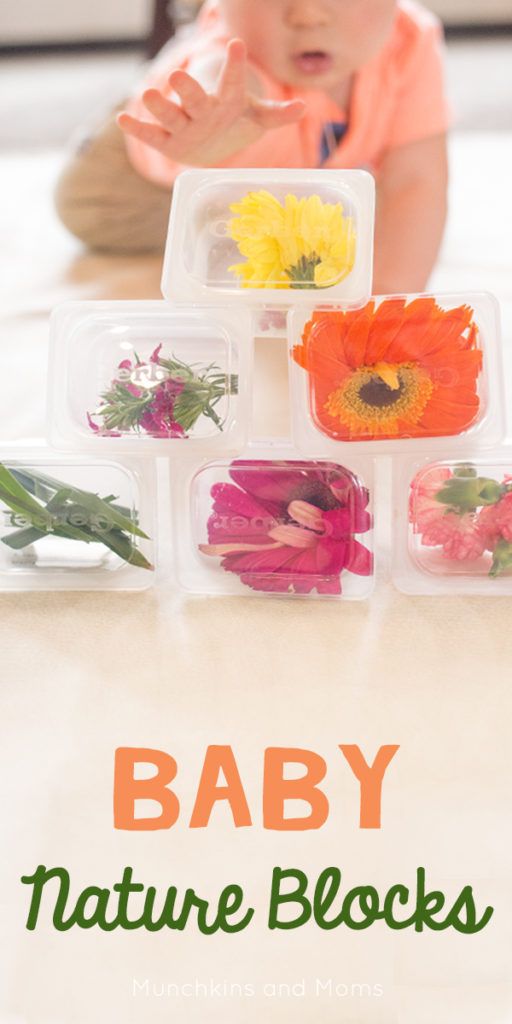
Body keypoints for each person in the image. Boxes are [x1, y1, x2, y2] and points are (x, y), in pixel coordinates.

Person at [55, 0, 450, 294]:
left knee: (381, 213)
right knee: (92, 205)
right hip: (139, 186)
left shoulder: (409, 42)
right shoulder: (231, 52)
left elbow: (418, 181)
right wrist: (209, 123)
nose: (307, 14)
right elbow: (217, 77)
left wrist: (387, 303)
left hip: (296, 179)